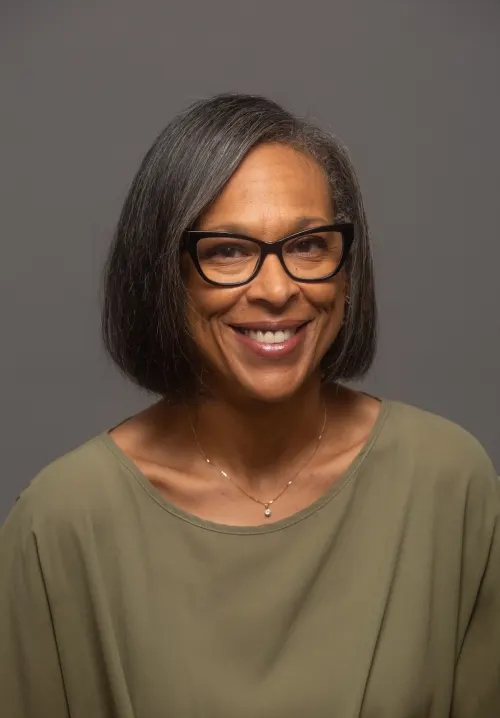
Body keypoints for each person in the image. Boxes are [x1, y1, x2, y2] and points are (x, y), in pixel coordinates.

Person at [1, 93, 499, 717]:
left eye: (309, 245)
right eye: (228, 251)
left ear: (347, 270)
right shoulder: (64, 521)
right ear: (164, 273)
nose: (276, 289)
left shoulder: (447, 483)